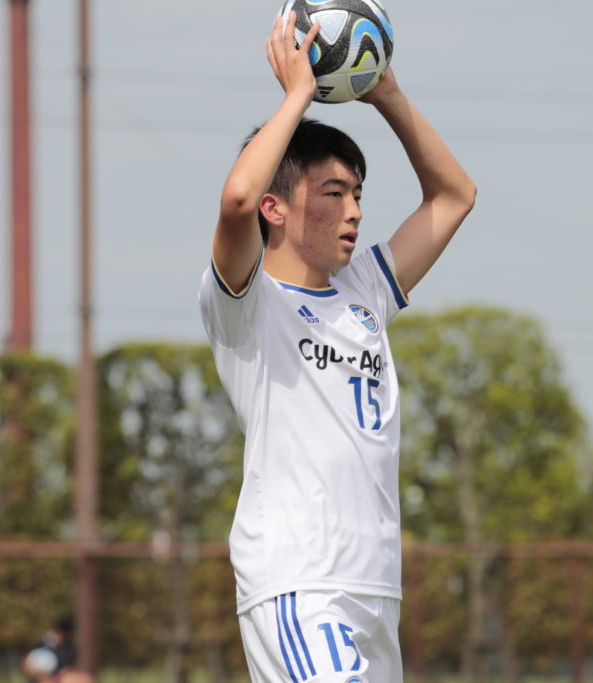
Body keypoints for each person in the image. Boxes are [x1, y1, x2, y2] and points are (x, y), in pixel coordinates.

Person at [198, 11, 476, 683]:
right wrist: (298, 94)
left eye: (357, 193)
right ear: (277, 208)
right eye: (333, 192)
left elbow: (454, 196)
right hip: (299, 583)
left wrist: (387, 94)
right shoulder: (247, 302)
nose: (354, 210)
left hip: (375, 589)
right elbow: (236, 199)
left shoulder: (364, 290)